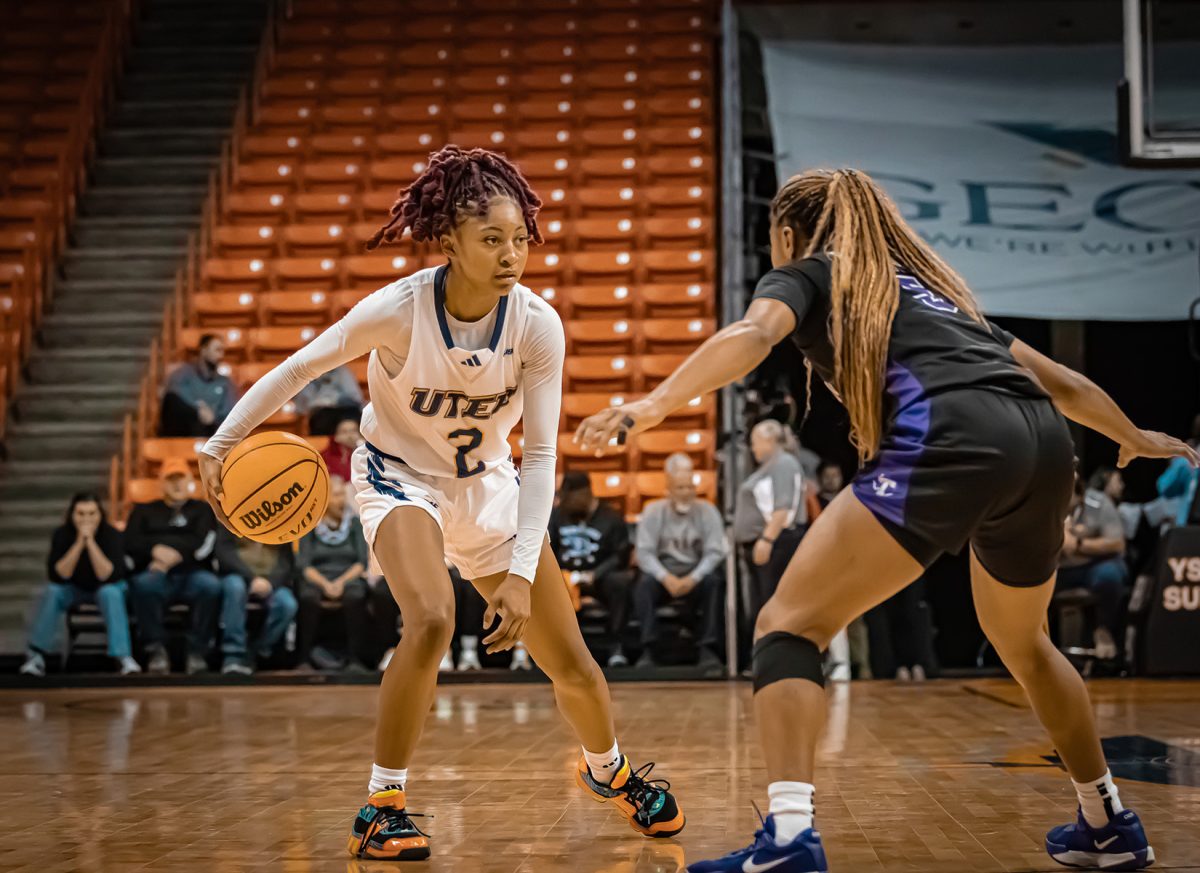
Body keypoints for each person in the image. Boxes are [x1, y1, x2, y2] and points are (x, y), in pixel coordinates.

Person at [576, 168, 1195, 872]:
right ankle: (1108, 818)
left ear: (786, 234)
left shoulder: (809, 273)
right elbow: (1061, 383)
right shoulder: (937, 297)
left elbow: (753, 334)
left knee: (787, 624)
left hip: (954, 438)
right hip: (1044, 444)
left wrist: (653, 404)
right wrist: (1136, 435)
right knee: (1026, 644)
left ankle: (787, 838)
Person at [196, 146, 683, 862]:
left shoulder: (537, 324)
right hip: (399, 478)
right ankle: (381, 804)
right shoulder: (397, 311)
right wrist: (221, 440)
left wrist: (520, 571)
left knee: (572, 662)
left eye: (519, 238)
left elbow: (542, 455)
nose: (512, 253)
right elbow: (301, 367)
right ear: (448, 240)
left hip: (488, 484)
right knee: (430, 617)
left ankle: (608, 769)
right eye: (492, 239)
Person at [20, 493, 140, 677]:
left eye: (92, 513)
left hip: (106, 587)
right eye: (81, 514)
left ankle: (123, 656)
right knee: (52, 591)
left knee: (111, 593)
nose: (86, 519)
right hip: (73, 588)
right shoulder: (61, 535)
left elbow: (107, 575)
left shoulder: (112, 535)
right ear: (72, 515)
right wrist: (79, 543)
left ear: (100, 515)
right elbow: (59, 575)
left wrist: (90, 542)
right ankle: (36, 656)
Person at [127, 459, 222, 675]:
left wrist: (174, 555)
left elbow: (205, 542)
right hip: (154, 572)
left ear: (191, 481)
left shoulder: (202, 510)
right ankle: (155, 649)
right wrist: (154, 550)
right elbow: (130, 542)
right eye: (171, 480)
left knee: (211, 587)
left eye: (181, 479)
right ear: (161, 483)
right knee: (144, 586)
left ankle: (198, 651)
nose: (177, 485)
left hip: (193, 572)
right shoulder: (143, 510)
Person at [632, 453, 725, 669]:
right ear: (669, 489)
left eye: (689, 487)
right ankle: (649, 648)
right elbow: (644, 552)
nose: (686, 493)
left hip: (696, 573)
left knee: (715, 582)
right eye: (680, 488)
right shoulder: (653, 511)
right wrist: (666, 578)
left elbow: (715, 552)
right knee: (643, 585)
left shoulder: (708, 511)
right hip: (664, 574)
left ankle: (708, 648)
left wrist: (693, 578)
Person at [549, 470, 635, 668]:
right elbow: (549, 550)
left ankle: (616, 647)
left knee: (619, 583)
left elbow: (620, 555)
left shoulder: (610, 517)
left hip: (599, 577)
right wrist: (564, 575)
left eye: (569, 498)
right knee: (553, 586)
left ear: (585, 494)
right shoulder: (557, 516)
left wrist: (595, 574)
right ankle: (563, 651)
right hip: (567, 577)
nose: (564, 503)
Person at [295, 475, 375, 671]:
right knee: (307, 596)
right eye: (336, 495)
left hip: (349, 577)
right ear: (324, 498)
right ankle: (303, 659)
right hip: (317, 577)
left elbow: (361, 562)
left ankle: (356, 659)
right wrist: (325, 584)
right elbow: (303, 564)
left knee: (355, 596)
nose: (341, 500)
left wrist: (340, 582)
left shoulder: (355, 522)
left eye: (342, 495)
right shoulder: (309, 523)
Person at [733, 419, 806, 626]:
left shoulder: (784, 463)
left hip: (777, 545)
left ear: (769, 439)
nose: (752, 447)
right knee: (762, 605)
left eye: (755, 441)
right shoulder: (771, 466)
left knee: (773, 603)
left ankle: (777, 653)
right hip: (767, 545)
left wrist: (766, 539)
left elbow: (783, 508)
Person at [1059, 473, 1130, 662]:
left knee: (1110, 575)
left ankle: (1104, 629)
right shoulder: (1040, 502)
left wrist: (1080, 544)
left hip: (1094, 564)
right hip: (1057, 568)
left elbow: (1116, 543)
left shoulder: (1099, 502)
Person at [214, 527, 299, 675]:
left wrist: (270, 583)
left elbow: (287, 562)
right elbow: (224, 554)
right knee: (234, 588)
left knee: (288, 604)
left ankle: (257, 648)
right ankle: (233, 654)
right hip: (239, 576)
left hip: (271, 582)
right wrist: (252, 579)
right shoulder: (231, 516)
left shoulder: (282, 520)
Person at [160, 333, 238, 437]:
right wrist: (198, 409)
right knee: (171, 400)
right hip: (184, 428)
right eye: (217, 350)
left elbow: (229, 412)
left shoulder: (225, 382)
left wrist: (212, 417)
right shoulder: (184, 373)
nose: (221, 355)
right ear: (203, 350)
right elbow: (174, 395)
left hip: (211, 431)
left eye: (222, 351)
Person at [295, 364, 364, 436]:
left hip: (345, 409)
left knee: (352, 419)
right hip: (321, 413)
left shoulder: (341, 370)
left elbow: (355, 397)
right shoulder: (307, 374)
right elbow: (302, 407)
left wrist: (333, 400)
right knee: (321, 420)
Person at [321, 416, 362, 482]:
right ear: (336, 437)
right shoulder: (326, 455)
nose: (350, 435)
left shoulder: (365, 452)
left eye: (354, 431)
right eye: (344, 432)